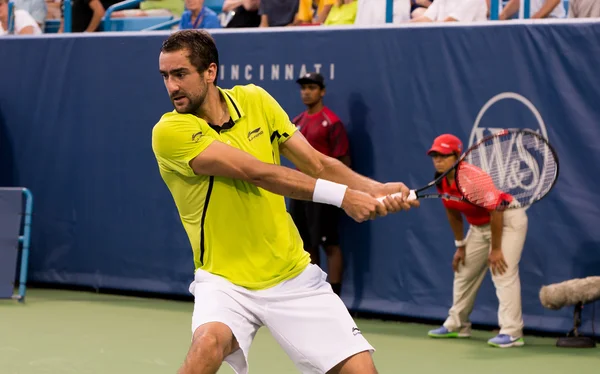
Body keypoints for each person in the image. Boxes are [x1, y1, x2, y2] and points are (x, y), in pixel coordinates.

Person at [151, 30, 419, 374]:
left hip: (291, 273)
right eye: (166, 76)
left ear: (210, 71)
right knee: (208, 344)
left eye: (180, 74)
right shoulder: (170, 132)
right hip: (224, 281)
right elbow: (259, 173)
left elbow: (318, 163)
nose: (172, 86)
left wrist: (375, 189)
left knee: (362, 371)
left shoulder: (255, 100)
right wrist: (344, 198)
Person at [424, 134, 528, 348]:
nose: (438, 160)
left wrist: (496, 249)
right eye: (435, 155)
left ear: (457, 156)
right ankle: (458, 325)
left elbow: (496, 210)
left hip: (507, 219)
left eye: (443, 155)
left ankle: (511, 332)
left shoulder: (472, 179)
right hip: (479, 227)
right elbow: (452, 214)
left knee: (502, 270)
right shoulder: (441, 180)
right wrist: (460, 245)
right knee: (464, 270)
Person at [289, 72, 350, 297]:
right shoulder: (296, 121)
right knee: (306, 246)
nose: (306, 92)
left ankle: (335, 297)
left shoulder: (332, 123)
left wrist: (339, 193)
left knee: (329, 244)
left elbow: (344, 162)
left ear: (322, 91)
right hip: (299, 190)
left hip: (325, 193)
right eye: (303, 88)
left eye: (312, 88)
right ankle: (314, 295)